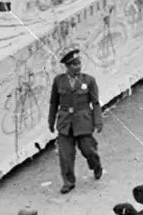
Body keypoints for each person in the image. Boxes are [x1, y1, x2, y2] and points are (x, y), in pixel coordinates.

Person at [48, 46, 104, 194]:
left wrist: (98, 121)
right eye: (74, 64)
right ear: (67, 66)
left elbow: (95, 103)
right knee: (65, 156)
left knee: (89, 150)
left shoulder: (89, 80)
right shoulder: (58, 81)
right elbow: (54, 102)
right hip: (65, 123)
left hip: (83, 121)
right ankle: (68, 182)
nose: (77, 66)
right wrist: (51, 120)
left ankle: (96, 166)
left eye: (79, 63)